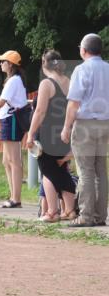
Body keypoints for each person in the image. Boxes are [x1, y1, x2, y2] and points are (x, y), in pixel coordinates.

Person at [61, 33, 109, 227]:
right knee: (101, 170)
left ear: (84, 50)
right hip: (105, 124)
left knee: (86, 171)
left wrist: (66, 127)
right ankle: (100, 216)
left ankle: (86, 216)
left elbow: (73, 103)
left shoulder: (81, 70)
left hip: (86, 124)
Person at [24, 50, 76, 222]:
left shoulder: (46, 83)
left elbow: (40, 111)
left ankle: (52, 212)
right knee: (61, 170)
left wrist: (30, 134)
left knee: (48, 172)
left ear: (43, 63)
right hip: (63, 133)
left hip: (47, 133)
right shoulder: (67, 81)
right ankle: (69, 210)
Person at [0, 50, 28, 208]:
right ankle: (13, 195)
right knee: (6, 160)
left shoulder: (13, 81)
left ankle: (16, 198)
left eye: (3, 61)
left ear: (11, 64)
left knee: (14, 161)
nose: (1, 63)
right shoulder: (14, 80)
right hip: (8, 119)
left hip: (11, 119)